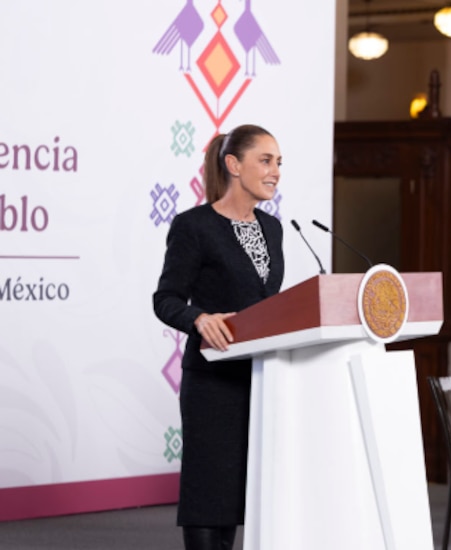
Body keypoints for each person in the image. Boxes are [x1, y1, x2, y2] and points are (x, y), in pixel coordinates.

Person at [153, 124, 285, 550]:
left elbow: (269, 301)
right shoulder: (194, 226)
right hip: (212, 382)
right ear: (233, 165)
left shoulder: (273, 229)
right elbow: (166, 298)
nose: (275, 171)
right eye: (265, 161)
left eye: (279, 162)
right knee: (211, 493)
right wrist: (198, 317)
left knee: (246, 495)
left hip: (264, 380)